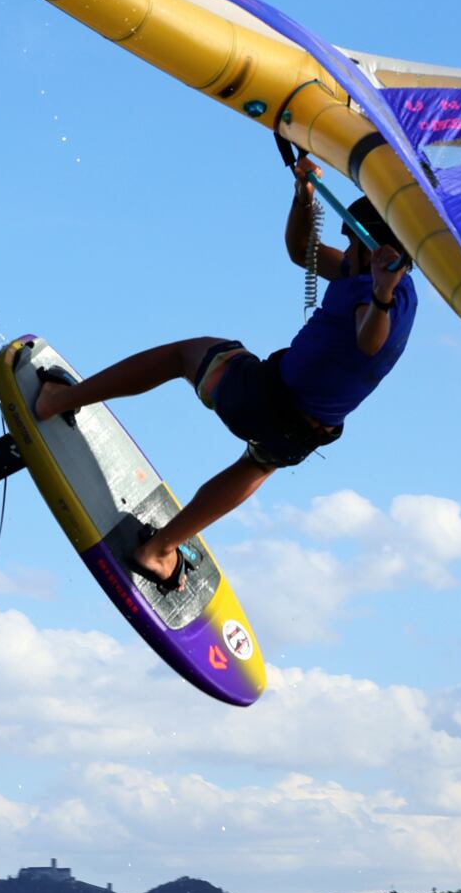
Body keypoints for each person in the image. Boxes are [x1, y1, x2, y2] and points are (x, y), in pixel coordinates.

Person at [33, 155, 417, 591]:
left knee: (183, 356)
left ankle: (58, 400)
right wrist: (304, 198)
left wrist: (381, 295)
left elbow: (370, 340)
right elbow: (301, 252)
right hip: (301, 433)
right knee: (257, 465)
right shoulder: (374, 277)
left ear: (377, 249)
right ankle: (158, 550)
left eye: (351, 241)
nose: (345, 250)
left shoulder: (379, 297)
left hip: (258, 397)